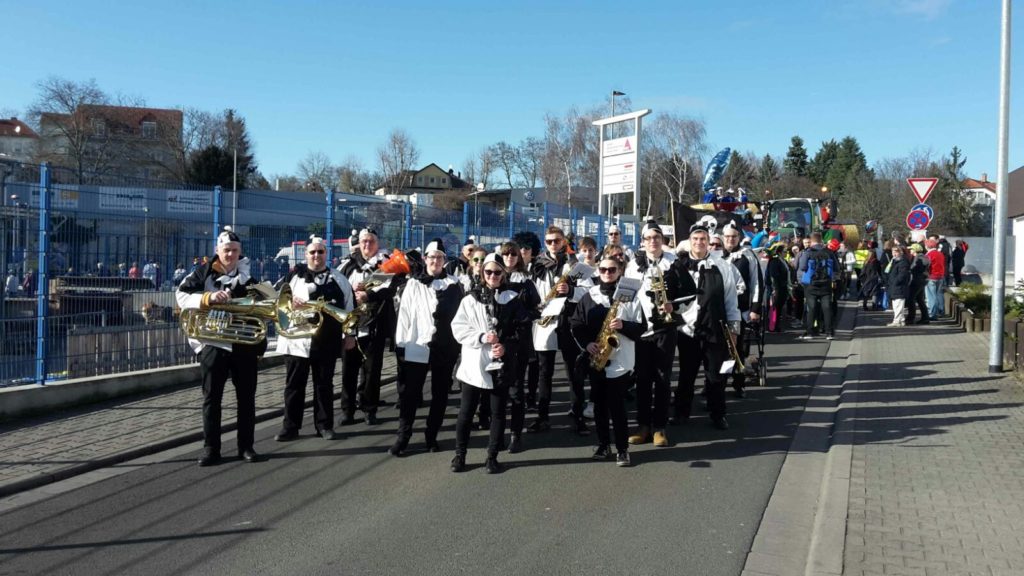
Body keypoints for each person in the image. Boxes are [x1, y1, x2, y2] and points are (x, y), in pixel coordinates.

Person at [176, 227, 266, 466]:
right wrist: (208, 298)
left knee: (247, 398)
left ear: (240, 252)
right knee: (211, 399)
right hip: (213, 344)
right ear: (217, 251)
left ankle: (246, 446)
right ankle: (211, 448)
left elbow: (265, 305)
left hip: (243, 345)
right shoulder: (203, 273)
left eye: (234, 251)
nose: (230, 255)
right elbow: (181, 295)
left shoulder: (248, 279)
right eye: (226, 250)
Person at [449, 253, 530, 474]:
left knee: (497, 413)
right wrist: (482, 338)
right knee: (466, 413)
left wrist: (506, 347)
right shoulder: (470, 299)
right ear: (482, 273)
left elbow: (522, 331)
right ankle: (460, 455)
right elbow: (458, 328)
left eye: (497, 272)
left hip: (501, 365)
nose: (493, 276)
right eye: (488, 272)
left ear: (504, 273)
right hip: (474, 364)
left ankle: (492, 457)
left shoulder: (513, 299)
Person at [274, 235, 355, 443]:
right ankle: (290, 427)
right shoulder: (293, 277)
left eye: (320, 252)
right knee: (293, 386)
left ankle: (324, 425)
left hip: (326, 341)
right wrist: (292, 301)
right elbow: (277, 301)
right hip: (297, 341)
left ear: (326, 254)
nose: (316, 255)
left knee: (324, 385)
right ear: (306, 255)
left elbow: (350, 310)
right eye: (312, 252)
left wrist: (350, 335)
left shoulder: (339, 279)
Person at [389, 238, 464, 455]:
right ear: (425, 259)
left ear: (444, 260)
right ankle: (403, 437)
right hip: (417, 346)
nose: (436, 261)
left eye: (440, 257)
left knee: (440, 394)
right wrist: (401, 345)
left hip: (444, 347)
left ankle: (431, 436)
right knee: (410, 395)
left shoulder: (455, 284)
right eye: (432, 257)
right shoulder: (413, 284)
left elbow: (461, 317)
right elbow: (404, 316)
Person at [570, 251, 644, 467]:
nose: (607, 273)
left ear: (620, 271)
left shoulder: (631, 296)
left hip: (621, 361)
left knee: (617, 407)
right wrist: (587, 344)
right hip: (597, 358)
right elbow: (576, 324)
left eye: (612, 269)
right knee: (600, 407)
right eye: (603, 269)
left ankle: (622, 449)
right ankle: (604, 444)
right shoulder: (589, 295)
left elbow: (642, 328)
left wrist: (624, 326)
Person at [670, 221, 742, 430]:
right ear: (689, 242)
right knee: (686, 374)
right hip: (687, 330)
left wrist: (734, 328)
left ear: (709, 242)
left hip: (715, 328)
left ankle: (718, 413)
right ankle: (682, 413)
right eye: (695, 239)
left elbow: (731, 299)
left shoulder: (722, 266)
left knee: (715, 375)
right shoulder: (679, 265)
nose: (699, 242)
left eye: (703, 239)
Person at [338, 228, 401, 426]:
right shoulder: (347, 265)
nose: (367, 245)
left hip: (375, 325)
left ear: (378, 243)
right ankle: (347, 410)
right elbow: (339, 290)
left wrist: (368, 294)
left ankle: (369, 409)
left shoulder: (386, 264)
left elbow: (390, 290)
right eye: (364, 241)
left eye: (371, 241)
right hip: (352, 326)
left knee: (372, 371)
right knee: (349, 370)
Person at [625, 220, 678, 447]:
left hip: (664, 328)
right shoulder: (632, 265)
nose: (653, 241)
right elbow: (627, 294)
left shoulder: (673, 262)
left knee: (663, 378)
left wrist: (673, 305)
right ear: (642, 242)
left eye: (657, 237)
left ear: (662, 240)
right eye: (648, 238)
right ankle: (643, 425)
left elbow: (687, 293)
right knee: (643, 379)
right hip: (641, 329)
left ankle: (660, 427)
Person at [529, 226, 585, 434]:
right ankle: (543, 417)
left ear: (564, 242)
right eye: (549, 241)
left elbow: (588, 291)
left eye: (557, 240)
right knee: (545, 373)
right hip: (546, 321)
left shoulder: (574, 264)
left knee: (574, 373)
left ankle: (578, 416)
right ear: (545, 243)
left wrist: (571, 290)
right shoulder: (537, 265)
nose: (553, 244)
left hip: (569, 321)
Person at [501, 240, 541, 453]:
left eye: (513, 254)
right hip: (496, 343)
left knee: (517, 390)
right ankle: (497, 433)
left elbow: (537, 309)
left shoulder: (526, 281)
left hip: (520, 343)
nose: (510, 258)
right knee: (498, 390)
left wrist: (522, 317)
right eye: (506, 254)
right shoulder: (493, 277)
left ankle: (516, 434)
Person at [721, 221, 761, 398]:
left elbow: (757, 283)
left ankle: (738, 383)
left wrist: (755, 308)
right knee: (718, 351)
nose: (730, 239)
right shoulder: (715, 256)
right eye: (727, 236)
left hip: (741, 311)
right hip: (719, 311)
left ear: (739, 238)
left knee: (738, 349)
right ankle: (716, 384)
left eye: (734, 236)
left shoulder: (748, 256)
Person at [797, 232, 838, 340]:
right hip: (826, 284)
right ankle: (829, 332)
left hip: (811, 284)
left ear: (812, 241)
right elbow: (836, 268)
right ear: (821, 240)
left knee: (811, 307)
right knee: (827, 307)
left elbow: (802, 267)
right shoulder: (829, 252)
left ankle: (810, 332)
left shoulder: (808, 252)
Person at [886, 245, 911, 327]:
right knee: (897, 305)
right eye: (893, 252)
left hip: (899, 286)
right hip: (894, 286)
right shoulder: (894, 261)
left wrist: (895, 282)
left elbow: (902, 275)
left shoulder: (903, 262)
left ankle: (896, 321)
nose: (894, 254)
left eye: (896, 252)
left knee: (898, 305)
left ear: (901, 252)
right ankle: (901, 320)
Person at [905, 244, 929, 325]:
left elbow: (913, 268)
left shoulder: (919, 258)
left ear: (915, 250)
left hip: (916, 281)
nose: (910, 251)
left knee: (911, 299)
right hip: (921, 280)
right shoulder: (923, 257)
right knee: (920, 299)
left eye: (911, 249)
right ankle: (925, 318)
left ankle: (910, 318)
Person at [924, 239, 946, 320]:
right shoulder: (940, 254)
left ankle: (933, 314)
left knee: (931, 297)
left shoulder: (929, 255)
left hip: (931, 277)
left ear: (927, 246)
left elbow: (926, 266)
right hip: (940, 276)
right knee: (939, 294)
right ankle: (941, 311)